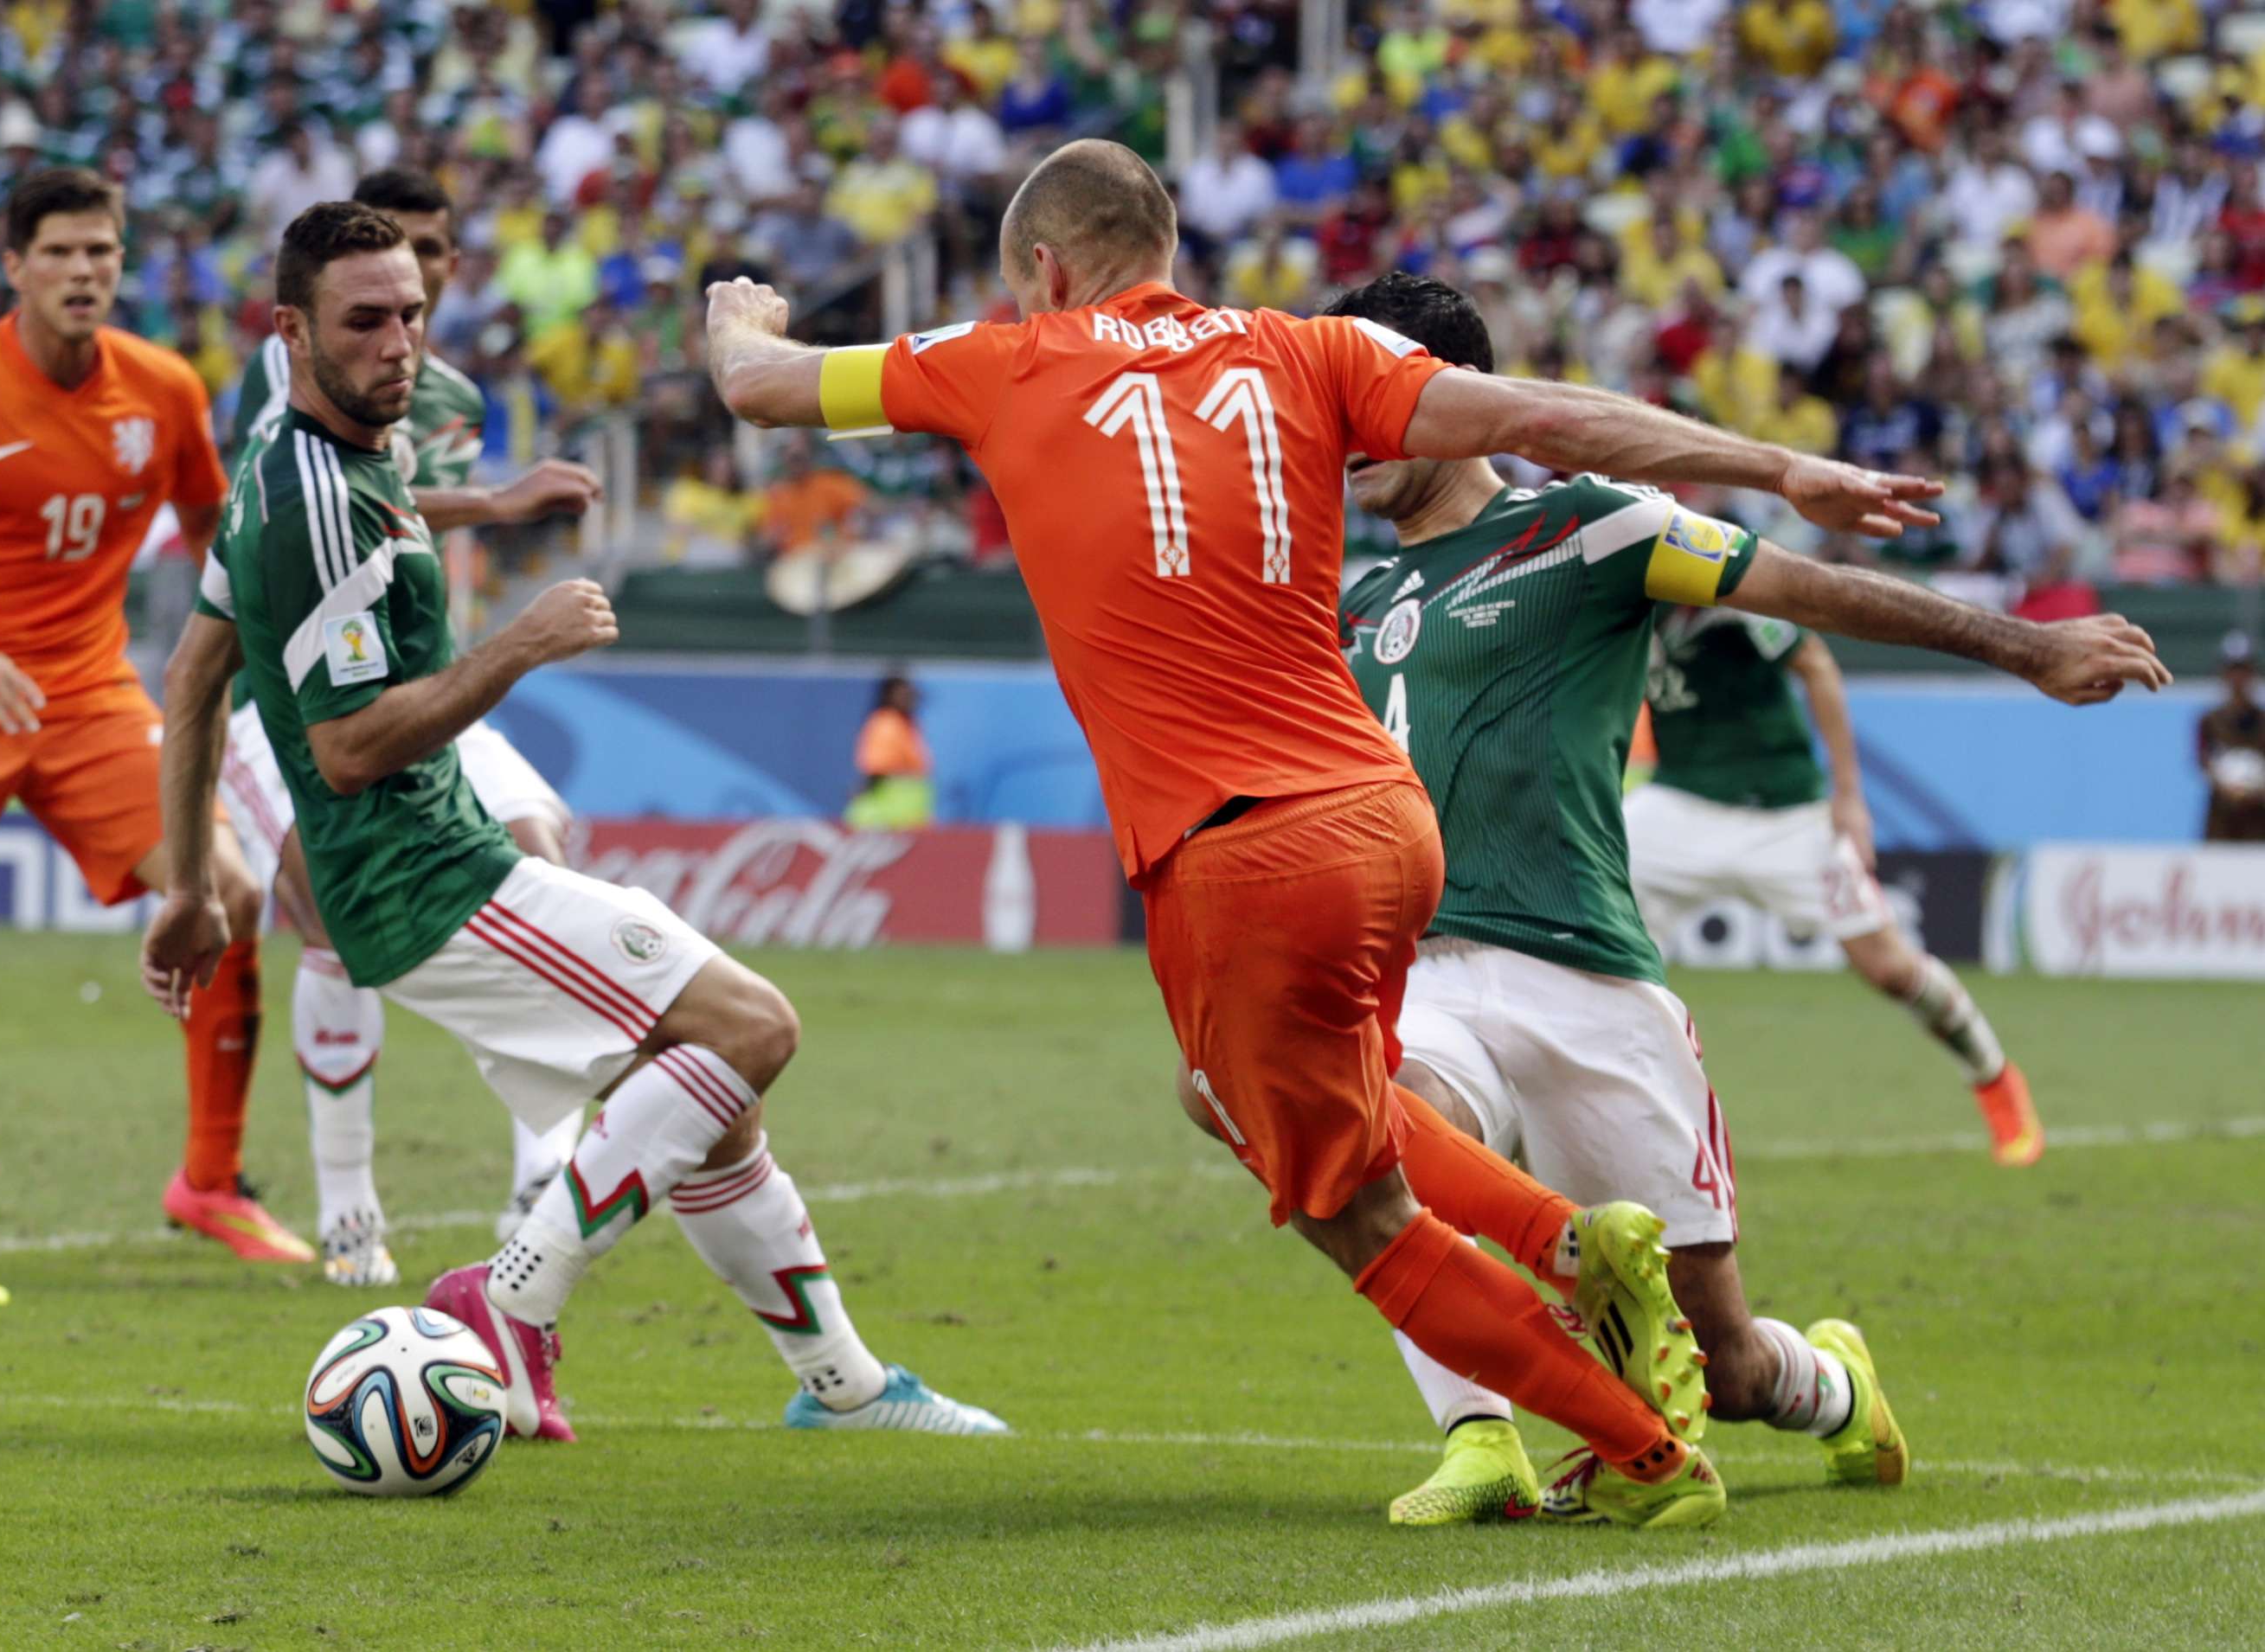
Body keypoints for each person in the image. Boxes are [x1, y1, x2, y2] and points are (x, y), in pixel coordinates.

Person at [703, 138, 1966, 1527]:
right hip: (1388, 822)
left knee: (1348, 1205)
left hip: (1237, 849)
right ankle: (1542, 1310)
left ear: (1045, 272)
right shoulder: (1311, 350)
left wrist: (739, 315)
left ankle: (1638, 1433)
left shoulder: (1006, 357)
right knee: (1286, 1099)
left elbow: (760, 387)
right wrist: (1779, 464)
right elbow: (1554, 413)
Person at [1231, 271, 2165, 1525]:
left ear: (1452, 404)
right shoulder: (1347, 599)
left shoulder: (1592, 528)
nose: (1348, 430)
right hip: (1419, 972)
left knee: (1724, 1365)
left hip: (1586, 978)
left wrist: (2029, 644)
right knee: (1375, 1139)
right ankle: (1478, 1435)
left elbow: (1808, 595)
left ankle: (1832, 1387)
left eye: (1374, 399)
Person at [145, 202, 1005, 1447]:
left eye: (412, 315)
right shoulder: (313, 496)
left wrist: (188, 888)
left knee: (713, 1106)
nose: (398, 342)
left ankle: (844, 1385)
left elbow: (190, 679)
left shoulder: (315, 458)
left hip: (431, 867)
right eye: (365, 320)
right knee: (752, 1027)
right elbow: (347, 748)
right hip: (422, 877)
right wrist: (521, 643)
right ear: (290, 330)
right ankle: (509, 1297)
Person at [0, 168, 279, 1303]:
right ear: (14, 266)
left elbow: (214, 530)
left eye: (102, 251)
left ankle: (212, 1181)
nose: (84, 271)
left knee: (230, 891)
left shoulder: (163, 388)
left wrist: (251, 640)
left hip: (91, 699)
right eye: (60, 253)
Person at [221, 167, 608, 1287]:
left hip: (410, 680)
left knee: (539, 850)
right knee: (329, 917)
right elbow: (308, 500)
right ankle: (349, 1205)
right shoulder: (286, 372)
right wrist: (496, 503)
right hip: (287, 699)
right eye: (389, 271)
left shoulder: (452, 401)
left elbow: (387, 511)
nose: (408, 296)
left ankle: (541, 1174)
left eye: (429, 264)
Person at [1632, 612, 2056, 1166]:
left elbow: (1816, 662)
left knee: (1890, 969)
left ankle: (1993, 1078)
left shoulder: (1726, 592)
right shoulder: (1619, 592)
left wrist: (1849, 797)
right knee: (1598, 943)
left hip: (1786, 813)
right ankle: (1600, 1112)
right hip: (1677, 806)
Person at [2199, 631, 2265, 841]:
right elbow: (2204, 762)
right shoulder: (2209, 722)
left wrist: (2255, 789)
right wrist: (2228, 788)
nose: (2238, 678)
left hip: (2258, 824)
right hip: (2221, 824)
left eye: (2243, 670)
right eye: (2233, 670)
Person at [847, 672, 933, 829]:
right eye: (903, 694)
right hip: (888, 814)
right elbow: (877, 767)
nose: (909, 698)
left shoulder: (905, 723)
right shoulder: (887, 724)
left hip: (907, 813)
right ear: (889, 696)